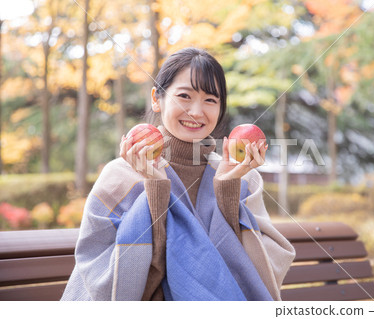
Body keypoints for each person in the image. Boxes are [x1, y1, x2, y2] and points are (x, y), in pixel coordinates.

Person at [61, 47, 295, 301]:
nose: (196, 111)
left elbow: (248, 277)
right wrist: (156, 188)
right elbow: (112, 286)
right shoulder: (121, 176)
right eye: (184, 96)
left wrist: (228, 190)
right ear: (156, 98)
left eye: (210, 100)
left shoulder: (244, 177)